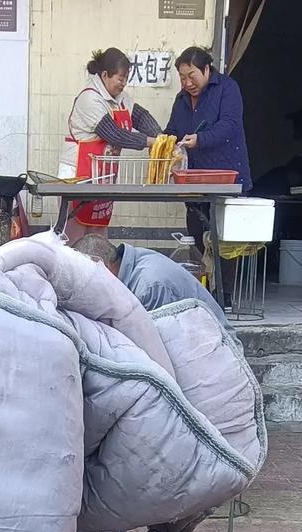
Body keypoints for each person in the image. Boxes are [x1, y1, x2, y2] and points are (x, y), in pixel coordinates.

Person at [165, 47, 251, 303]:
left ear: (206, 70)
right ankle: (201, 293)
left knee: (224, 240)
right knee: (196, 233)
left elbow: (230, 125)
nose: (187, 83)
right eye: (182, 77)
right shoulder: (181, 99)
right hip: (194, 181)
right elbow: (172, 130)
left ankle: (223, 297)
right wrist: (168, 143)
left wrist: (199, 139)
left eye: (192, 75)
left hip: (228, 177)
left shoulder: (227, 89)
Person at [59, 48, 163, 243]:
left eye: (126, 78)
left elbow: (140, 116)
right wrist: (150, 142)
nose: (123, 83)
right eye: (120, 78)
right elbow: (115, 135)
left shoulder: (120, 97)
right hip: (78, 178)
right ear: (105, 75)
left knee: (98, 239)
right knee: (74, 241)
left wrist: (162, 137)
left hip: (102, 177)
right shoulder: (89, 98)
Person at [72, 234, 228, 327]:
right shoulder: (131, 262)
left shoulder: (149, 287)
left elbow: (155, 350)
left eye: (87, 280)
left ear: (102, 267)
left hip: (215, 357)